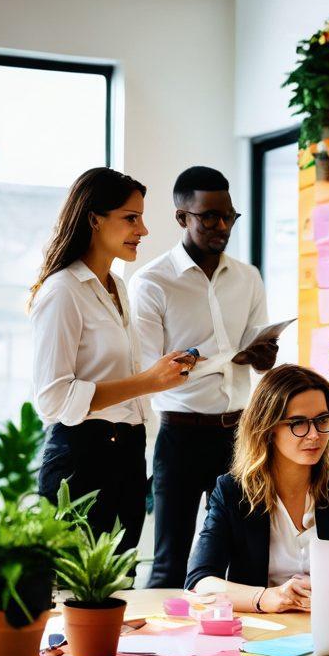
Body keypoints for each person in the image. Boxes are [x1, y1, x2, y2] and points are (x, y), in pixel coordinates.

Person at [31, 167, 198, 553]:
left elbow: (115, 375)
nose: (143, 230)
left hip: (126, 452)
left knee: (117, 593)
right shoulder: (62, 291)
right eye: (130, 218)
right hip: (81, 460)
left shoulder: (117, 286)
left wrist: (161, 375)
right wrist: (148, 382)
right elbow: (53, 399)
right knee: (75, 599)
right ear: (94, 219)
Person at [131, 165, 277, 589]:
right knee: (170, 562)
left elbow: (259, 358)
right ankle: (162, 647)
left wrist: (263, 356)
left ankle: (241, 646)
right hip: (180, 436)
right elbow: (149, 372)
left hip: (239, 434)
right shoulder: (152, 284)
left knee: (247, 555)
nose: (222, 225)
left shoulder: (248, 277)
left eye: (229, 215)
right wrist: (227, 357)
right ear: (182, 218)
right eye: (209, 216)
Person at [185, 364, 329, 612]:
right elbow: (200, 582)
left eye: (322, 420)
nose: (314, 434)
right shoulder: (233, 491)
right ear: (268, 429)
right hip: (267, 630)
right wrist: (265, 597)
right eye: (298, 423)